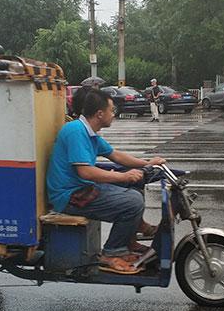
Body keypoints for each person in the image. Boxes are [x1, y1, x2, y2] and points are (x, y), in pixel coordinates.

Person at [47, 90, 166, 275]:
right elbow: (85, 171)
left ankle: (130, 239)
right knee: (133, 202)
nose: (114, 113)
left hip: (81, 188)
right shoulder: (76, 131)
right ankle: (111, 252)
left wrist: (148, 164)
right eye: (112, 110)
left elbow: (116, 155)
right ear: (99, 114)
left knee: (136, 182)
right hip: (69, 196)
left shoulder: (90, 133)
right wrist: (123, 176)